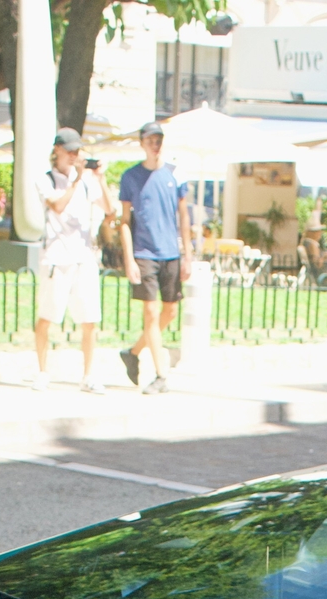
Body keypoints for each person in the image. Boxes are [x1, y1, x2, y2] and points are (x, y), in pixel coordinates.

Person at [116, 120, 195, 394]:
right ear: (142, 143)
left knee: (170, 311)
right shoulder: (130, 177)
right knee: (150, 312)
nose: (155, 144)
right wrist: (129, 259)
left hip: (170, 252)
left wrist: (188, 254)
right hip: (143, 252)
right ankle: (161, 374)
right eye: (150, 139)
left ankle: (133, 352)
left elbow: (184, 216)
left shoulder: (175, 175)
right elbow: (124, 221)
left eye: (159, 139)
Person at [30, 127, 109, 392]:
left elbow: (109, 209)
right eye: (71, 151)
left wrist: (101, 178)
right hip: (56, 256)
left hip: (83, 256)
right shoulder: (46, 180)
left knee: (89, 318)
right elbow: (58, 205)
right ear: (58, 151)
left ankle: (88, 375)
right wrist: (76, 181)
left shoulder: (86, 180)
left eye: (78, 151)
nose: (75, 156)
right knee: (47, 316)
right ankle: (42, 371)